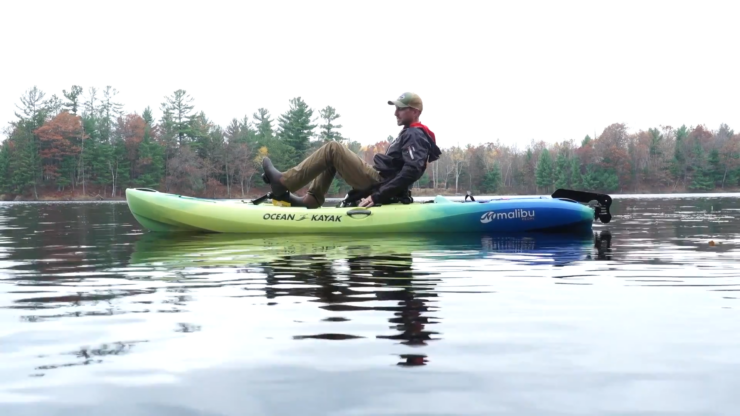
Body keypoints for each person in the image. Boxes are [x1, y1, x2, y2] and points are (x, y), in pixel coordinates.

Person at [261, 92, 442, 208]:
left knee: (334, 148)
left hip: (379, 184)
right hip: (380, 182)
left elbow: (412, 170)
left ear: (415, 112)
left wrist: (378, 196)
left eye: (400, 109)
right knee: (333, 156)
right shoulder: (409, 133)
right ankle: (312, 199)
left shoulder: (415, 134)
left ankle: (285, 182)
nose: (395, 113)